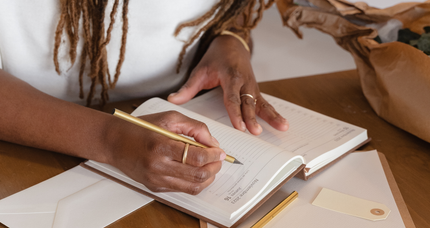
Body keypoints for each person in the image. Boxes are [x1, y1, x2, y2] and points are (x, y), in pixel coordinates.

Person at [0, 0, 288, 195]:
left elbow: (230, 12)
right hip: (25, 139)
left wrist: (230, 40)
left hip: (177, 107)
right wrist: (109, 139)